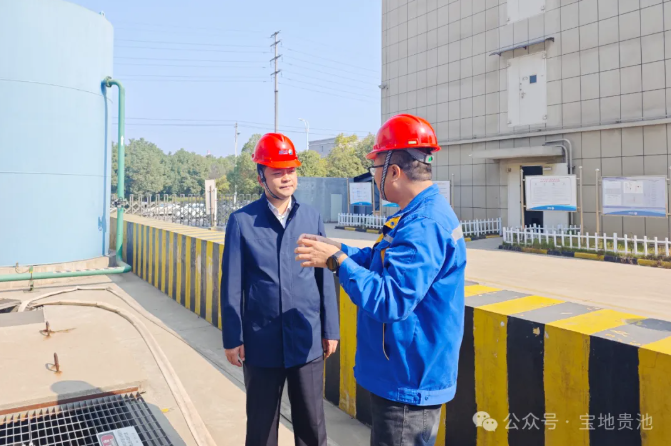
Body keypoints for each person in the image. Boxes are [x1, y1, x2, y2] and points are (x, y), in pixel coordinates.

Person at [295, 114, 466, 446]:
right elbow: (382, 262)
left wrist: (338, 262)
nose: (374, 177)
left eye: (375, 167)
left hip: (408, 380)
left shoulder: (423, 224)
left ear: (394, 171)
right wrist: (339, 250)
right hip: (404, 371)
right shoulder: (416, 214)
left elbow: (390, 300)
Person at [221, 133, 339, 446]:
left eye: (291, 170)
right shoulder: (242, 221)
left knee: (312, 426)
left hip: (306, 339)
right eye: (277, 172)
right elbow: (231, 285)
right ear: (261, 177)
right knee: (261, 428)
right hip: (262, 342)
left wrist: (330, 329)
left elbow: (324, 277)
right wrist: (233, 338)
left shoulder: (311, 217)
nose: (287, 178)